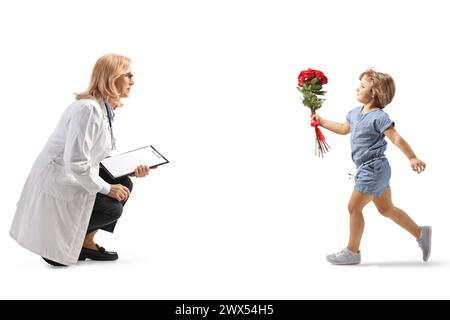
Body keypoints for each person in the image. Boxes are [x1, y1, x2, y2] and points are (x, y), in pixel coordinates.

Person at [10, 53, 152, 266]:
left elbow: (95, 155)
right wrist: (107, 189)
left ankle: (85, 240)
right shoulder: (87, 110)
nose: (133, 81)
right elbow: (76, 163)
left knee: (125, 182)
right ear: (112, 77)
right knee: (113, 207)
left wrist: (129, 169)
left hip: (74, 170)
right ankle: (60, 246)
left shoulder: (103, 108)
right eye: (128, 75)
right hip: (61, 177)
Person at [310, 69, 431, 265]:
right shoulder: (354, 113)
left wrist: (412, 157)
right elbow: (343, 129)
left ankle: (352, 251)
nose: (358, 88)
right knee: (386, 209)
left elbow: (396, 138)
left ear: (374, 92)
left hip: (373, 169)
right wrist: (321, 122)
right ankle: (420, 232)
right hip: (371, 169)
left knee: (353, 207)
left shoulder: (379, 117)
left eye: (363, 86)